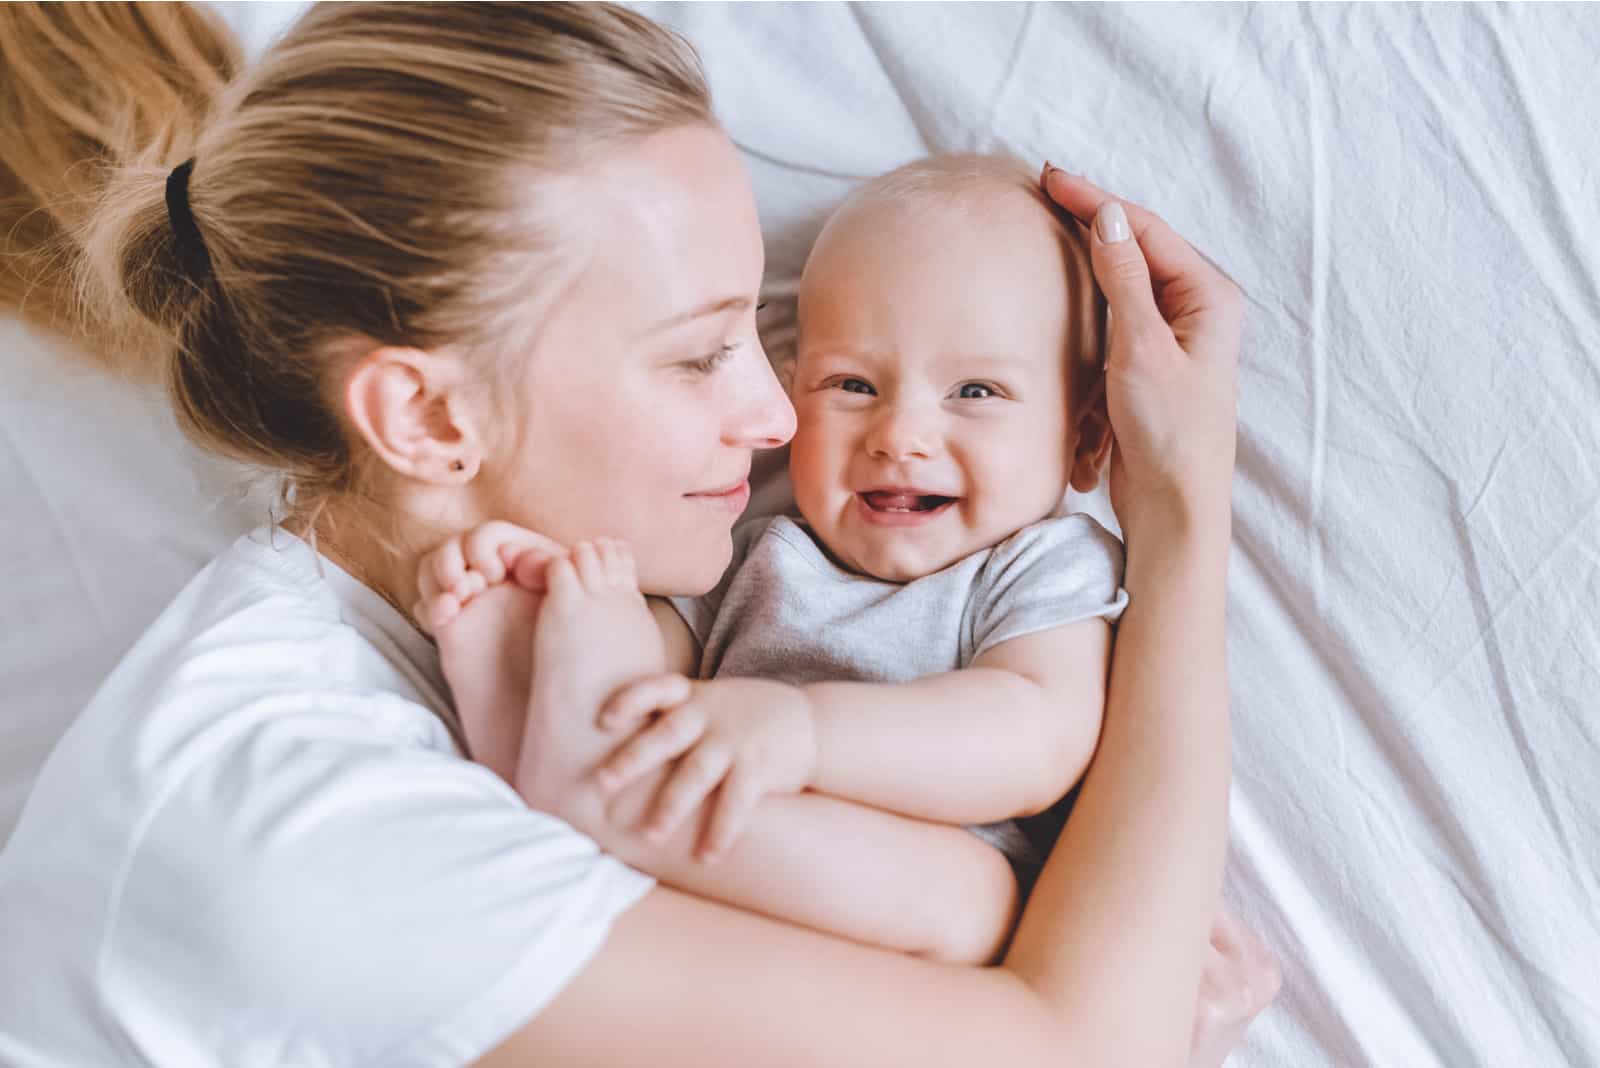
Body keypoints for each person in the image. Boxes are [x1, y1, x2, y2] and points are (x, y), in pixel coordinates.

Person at [0, 3, 1274, 1066]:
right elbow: (1073, 1045)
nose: (775, 419)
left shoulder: (516, 650)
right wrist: (1178, 507)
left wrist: (1052, 935)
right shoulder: (297, 829)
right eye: (700, 353)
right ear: (431, 416)